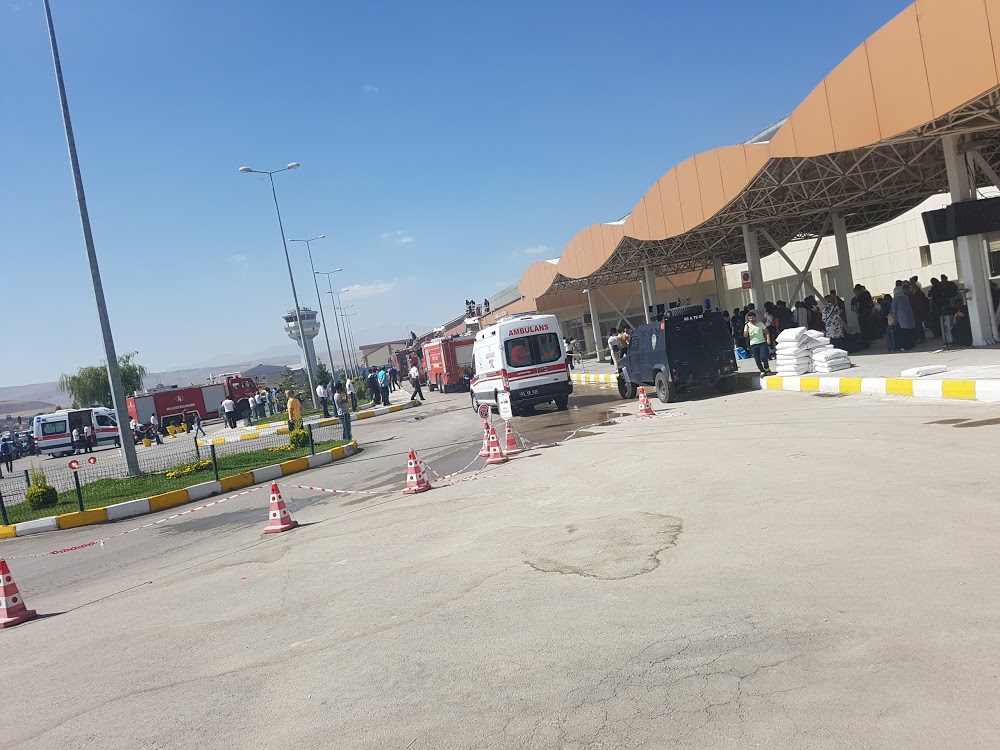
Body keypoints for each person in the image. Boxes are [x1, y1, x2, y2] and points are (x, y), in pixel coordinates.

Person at [743, 310, 772, 376]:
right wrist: (747, 329)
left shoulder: (760, 324)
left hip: (762, 343)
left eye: (753, 318)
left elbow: (766, 332)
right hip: (753, 344)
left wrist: (768, 339)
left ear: (755, 317)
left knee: (764, 357)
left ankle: (767, 368)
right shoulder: (747, 325)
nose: (752, 319)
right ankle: (762, 370)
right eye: (750, 318)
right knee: (757, 359)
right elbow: (745, 335)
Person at [892, 281, 917, 351]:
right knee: (910, 331)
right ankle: (912, 344)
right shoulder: (906, 297)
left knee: (903, 333)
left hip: (901, 318)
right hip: (909, 315)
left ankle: (905, 346)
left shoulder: (895, 300)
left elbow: (893, 310)